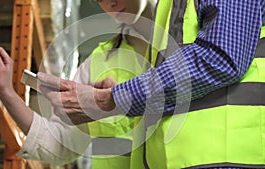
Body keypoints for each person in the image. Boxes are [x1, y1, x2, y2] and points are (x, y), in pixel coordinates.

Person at [34, 0, 265, 168]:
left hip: (230, 160)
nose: (110, 5)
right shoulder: (169, 16)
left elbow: (221, 56)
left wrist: (110, 100)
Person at [0, 0, 156, 168]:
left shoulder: (183, 35)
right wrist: (7, 93)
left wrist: (119, 100)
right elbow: (60, 144)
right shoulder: (97, 64)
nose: (110, 4)